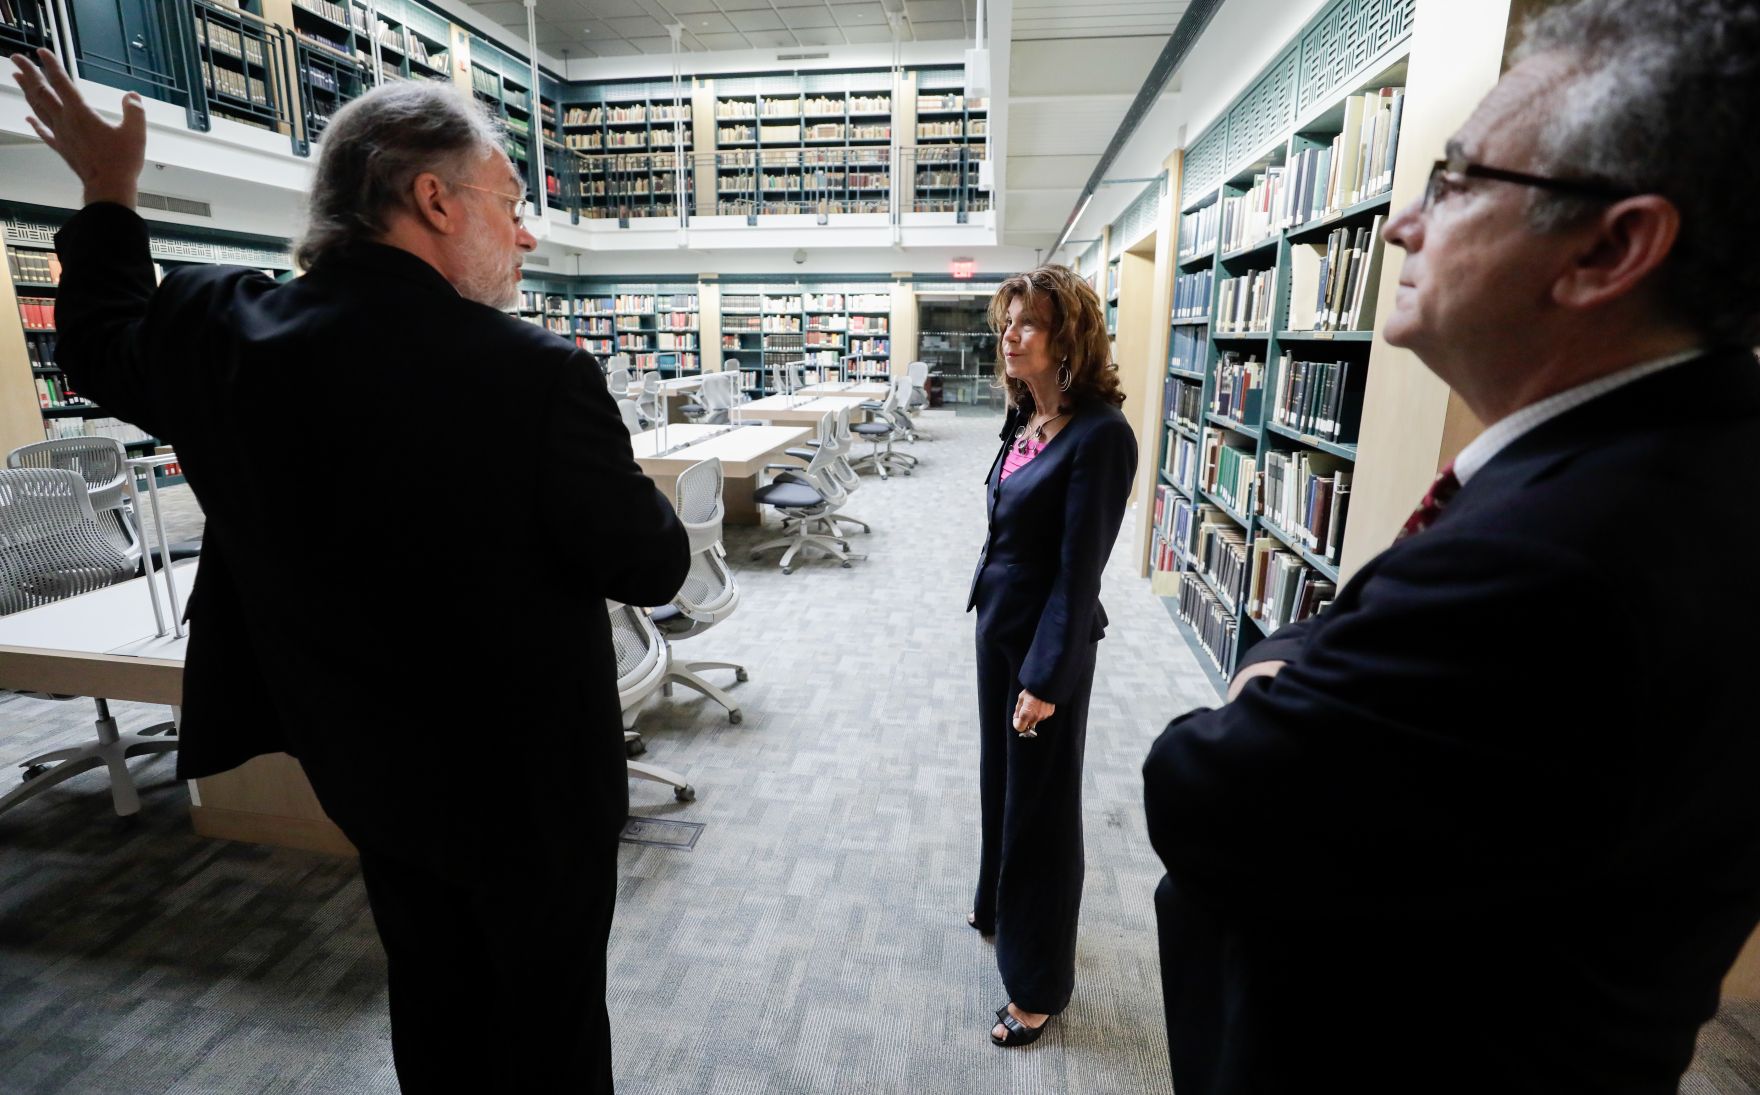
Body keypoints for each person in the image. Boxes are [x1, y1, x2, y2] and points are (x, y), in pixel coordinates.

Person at [7, 52, 689, 1093]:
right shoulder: (535, 374)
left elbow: (96, 345)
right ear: (429, 197)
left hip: (364, 771)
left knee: (431, 999)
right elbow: (651, 563)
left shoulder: (226, 333)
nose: (525, 232)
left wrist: (108, 193)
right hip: (532, 793)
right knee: (548, 1023)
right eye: (509, 202)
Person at [1141, 0, 1760, 1091]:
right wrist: (1294, 676)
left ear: (1608, 248)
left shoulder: (1549, 561)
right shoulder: (1690, 460)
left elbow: (1198, 793)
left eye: (1457, 179)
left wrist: (1265, 682)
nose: (1397, 225)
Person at [966, 265, 1137, 1047]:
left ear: (1068, 338)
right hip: (998, 629)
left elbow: (1079, 572)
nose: (1011, 334)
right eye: (1007, 320)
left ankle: (1037, 986)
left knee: (1041, 809)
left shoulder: (1101, 437)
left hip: (1044, 645)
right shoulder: (1026, 419)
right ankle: (998, 904)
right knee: (1000, 781)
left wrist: (1045, 676)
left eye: (1028, 323)